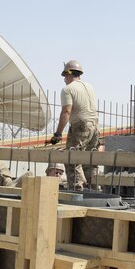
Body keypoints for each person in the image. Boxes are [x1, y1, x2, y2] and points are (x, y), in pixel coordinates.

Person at [49, 60, 99, 190]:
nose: (64, 80)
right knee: (90, 161)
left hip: (80, 126)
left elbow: (66, 111)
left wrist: (58, 133)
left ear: (68, 74)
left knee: (72, 159)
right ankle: (94, 189)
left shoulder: (68, 89)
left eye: (65, 77)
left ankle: (77, 191)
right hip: (94, 126)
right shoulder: (89, 86)